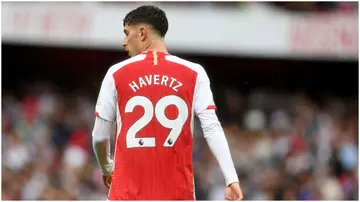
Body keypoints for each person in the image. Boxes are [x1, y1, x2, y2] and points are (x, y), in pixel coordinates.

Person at [92, 5, 243, 200]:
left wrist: (106, 168)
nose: (124, 42)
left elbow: (99, 135)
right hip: (177, 194)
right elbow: (212, 128)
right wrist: (231, 179)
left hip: (127, 194)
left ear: (142, 33)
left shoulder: (116, 73)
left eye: (126, 33)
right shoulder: (194, 73)